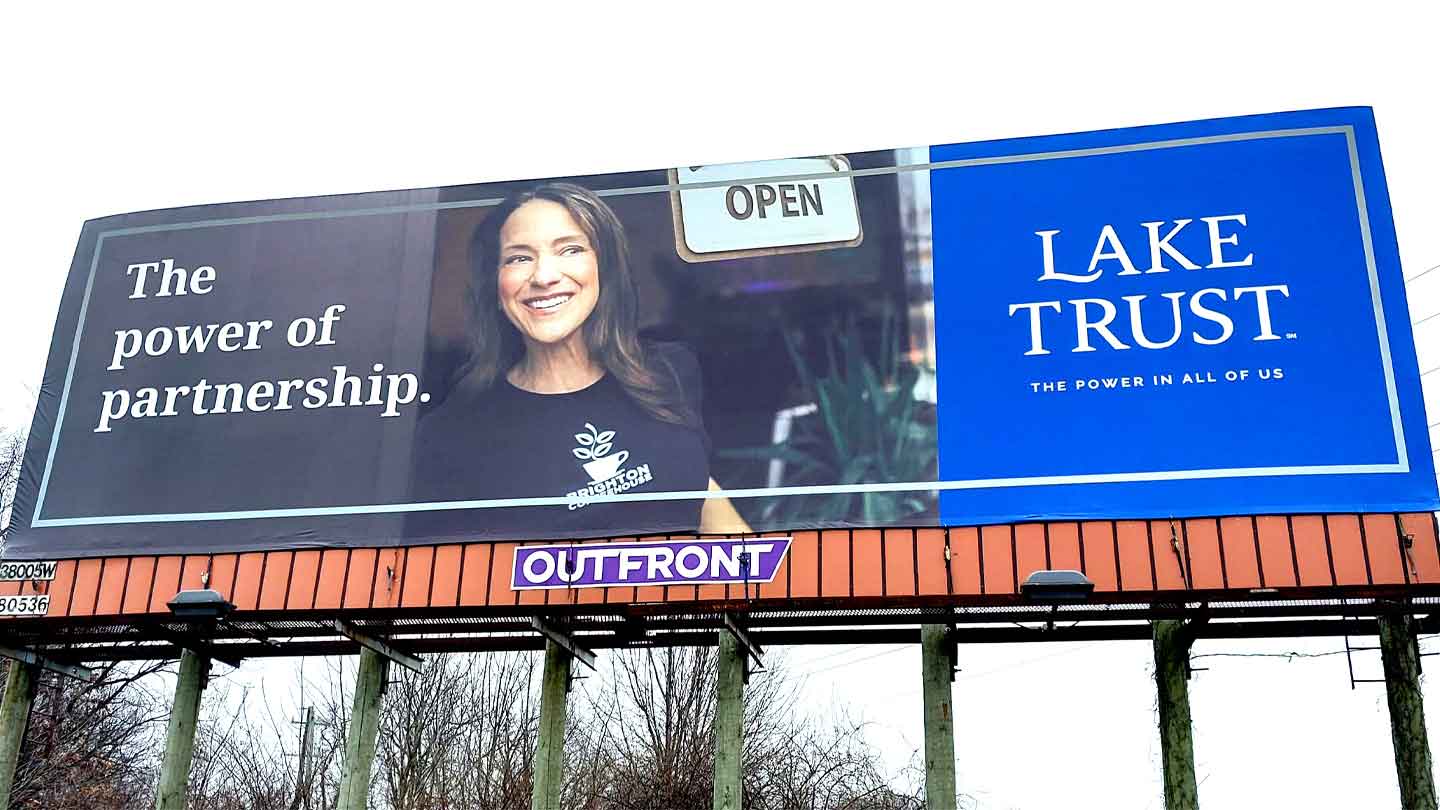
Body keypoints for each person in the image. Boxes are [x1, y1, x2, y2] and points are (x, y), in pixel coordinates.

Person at [408, 182, 750, 539]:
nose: (544, 277)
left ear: (604, 268)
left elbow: (701, 494)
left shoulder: (668, 372)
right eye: (519, 258)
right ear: (494, 284)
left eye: (569, 250)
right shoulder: (451, 437)